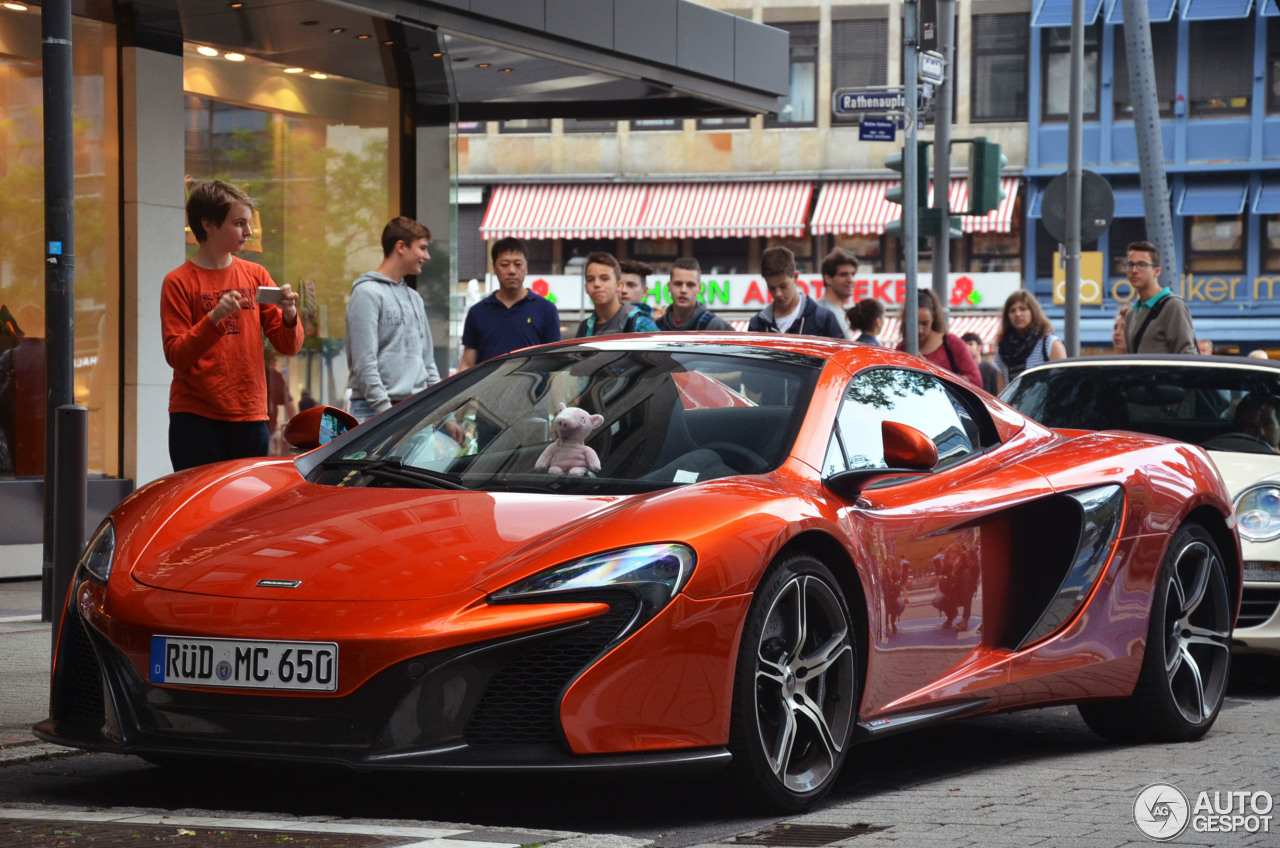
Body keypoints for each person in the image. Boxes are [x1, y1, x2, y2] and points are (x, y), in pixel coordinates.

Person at [161, 180, 303, 472]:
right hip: (195, 418)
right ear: (209, 225)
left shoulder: (256, 274)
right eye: (239, 223)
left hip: (251, 417)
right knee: (199, 511)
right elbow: (176, 355)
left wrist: (290, 315)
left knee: (244, 511)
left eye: (247, 223)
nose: (249, 232)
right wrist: (214, 318)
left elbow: (289, 345)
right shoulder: (178, 281)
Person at [345, 216, 440, 423]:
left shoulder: (414, 298)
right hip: (374, 412)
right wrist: (388, 415)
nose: (427, 256)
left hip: (415, 410)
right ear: (401, 247)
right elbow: (364, 364)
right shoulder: (366, 293)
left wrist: (442, 414)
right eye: (422, 248)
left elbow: (428, 363)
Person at [459, 237, 561, 370]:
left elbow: (555, 362)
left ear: (526, 268)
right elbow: (467, 364)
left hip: (531, 390)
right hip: (488, 390)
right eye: (504, 264)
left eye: (518, 264)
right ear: (494, 268)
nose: (512, 271)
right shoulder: (477, 312)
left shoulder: (546, 310)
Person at [747, 246, 845, 338]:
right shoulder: (757, 325)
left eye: (783, 286)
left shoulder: (824, 319)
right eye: (772, 288)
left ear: (795, 277)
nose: (778, 293)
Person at [895, 288, 982, 386]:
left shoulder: (951, 343)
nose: (920, 330)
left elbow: (976, 381)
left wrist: (931, 370)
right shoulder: (901, 348)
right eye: (914, 324)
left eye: (925, 323)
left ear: (934, 317)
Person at [1123, 241, 1196, 354]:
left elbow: (1187, 355)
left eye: (1142, 265)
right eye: (1130, 265)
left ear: (1157, 271)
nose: (1134, 270)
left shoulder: (1173, 306)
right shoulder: (1131, 314)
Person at [574, 252, 660, 337]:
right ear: (586, 288)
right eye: (590, 279)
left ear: (618, 285)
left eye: (604, 278)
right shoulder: (584, 328)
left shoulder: (640, 323)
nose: (597, 284)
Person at [994, 290, 1067, 390]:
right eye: (1012, 311)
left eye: (1023, 309)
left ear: (1033, 312)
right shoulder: (1002, 351)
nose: (1018, 314)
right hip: (1011, 405)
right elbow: (1002, 392)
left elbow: (1063, 382)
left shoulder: (1049, 344)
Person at [655, 257, 733, 331]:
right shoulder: (655, 327)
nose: (683, 290)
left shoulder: (717, 327)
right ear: (669, 286)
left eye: (690, 285)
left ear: (700, 288)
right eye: (678, 284)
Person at [816, 247, 858, 339]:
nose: (850, 280)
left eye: (853, 274)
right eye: (843, 274)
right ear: (828, 279)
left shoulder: (837, 312)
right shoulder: (821, 313)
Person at [266, 352, 298, 455]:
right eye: (274, 360)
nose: (275, 362)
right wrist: (298, 431)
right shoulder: (272, 374)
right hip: (263, 428)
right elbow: (290, 405)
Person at [618, 258, 664, 323]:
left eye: (631, 285)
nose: (624, 290)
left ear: (644, 291)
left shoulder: (659, 321)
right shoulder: (602, 319)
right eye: (619, 285)